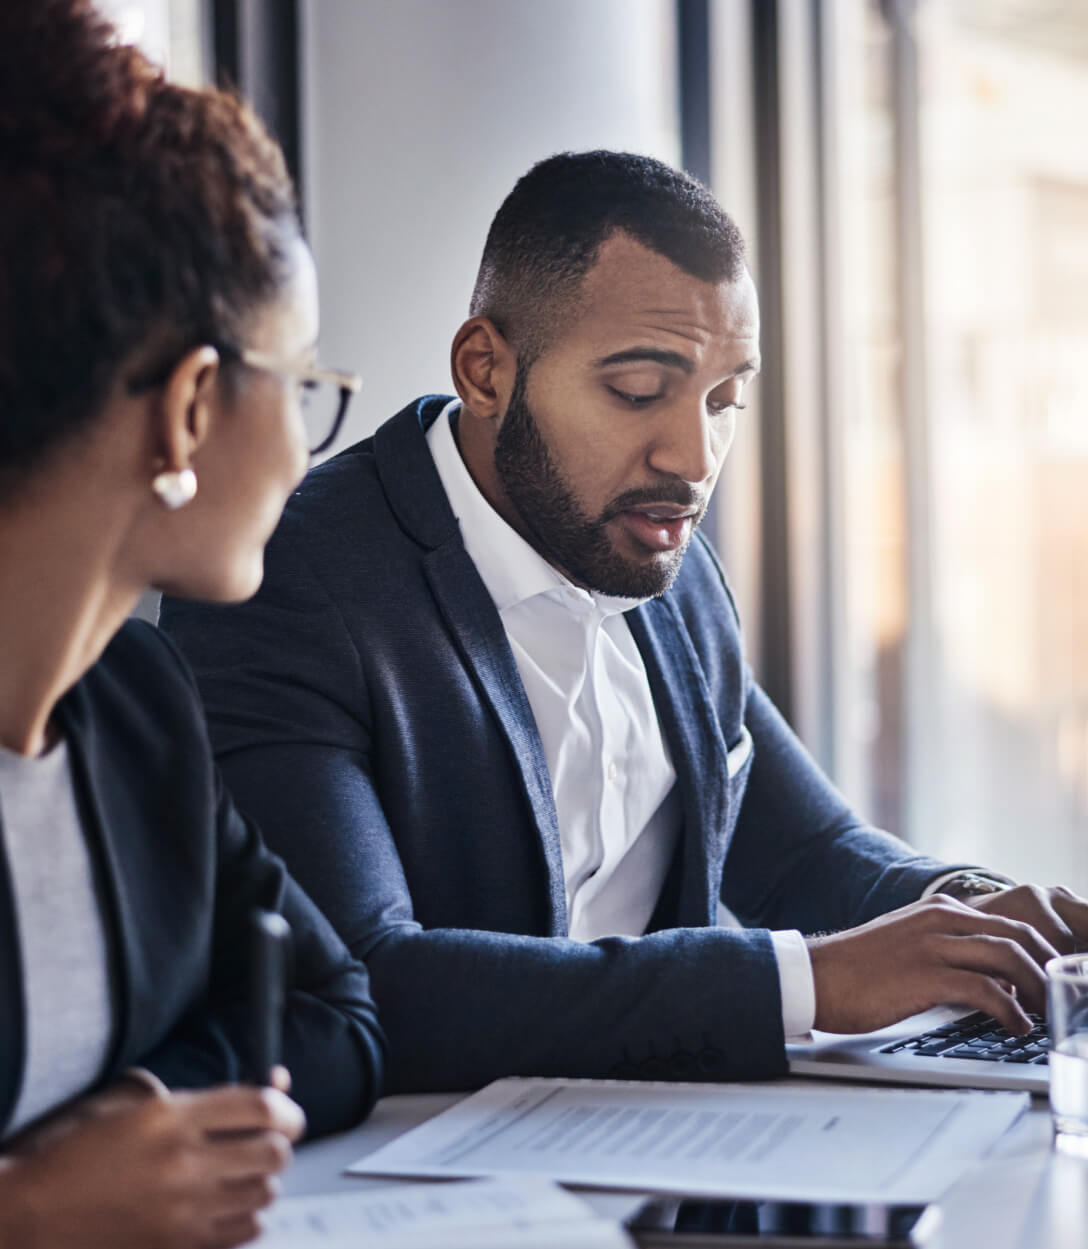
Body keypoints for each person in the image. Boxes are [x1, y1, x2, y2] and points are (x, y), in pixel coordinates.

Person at [161, 150, 1088, 1096]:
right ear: (485, 370)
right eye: (640, 391)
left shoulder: (661, 556)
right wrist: (808, 981)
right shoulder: (288, 580)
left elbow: (808, 853)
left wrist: (988, 919)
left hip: (646, 1145)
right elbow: (363, 979)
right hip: (406, 1188)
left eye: (725, 399)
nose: (693, 456)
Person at [0, 3, 384, 1249]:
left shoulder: (135, 707)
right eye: (305, 380)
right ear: (192, 408)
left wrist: (142, 1116)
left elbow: (333, 1013)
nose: (308, 439)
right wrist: (26, 1220)